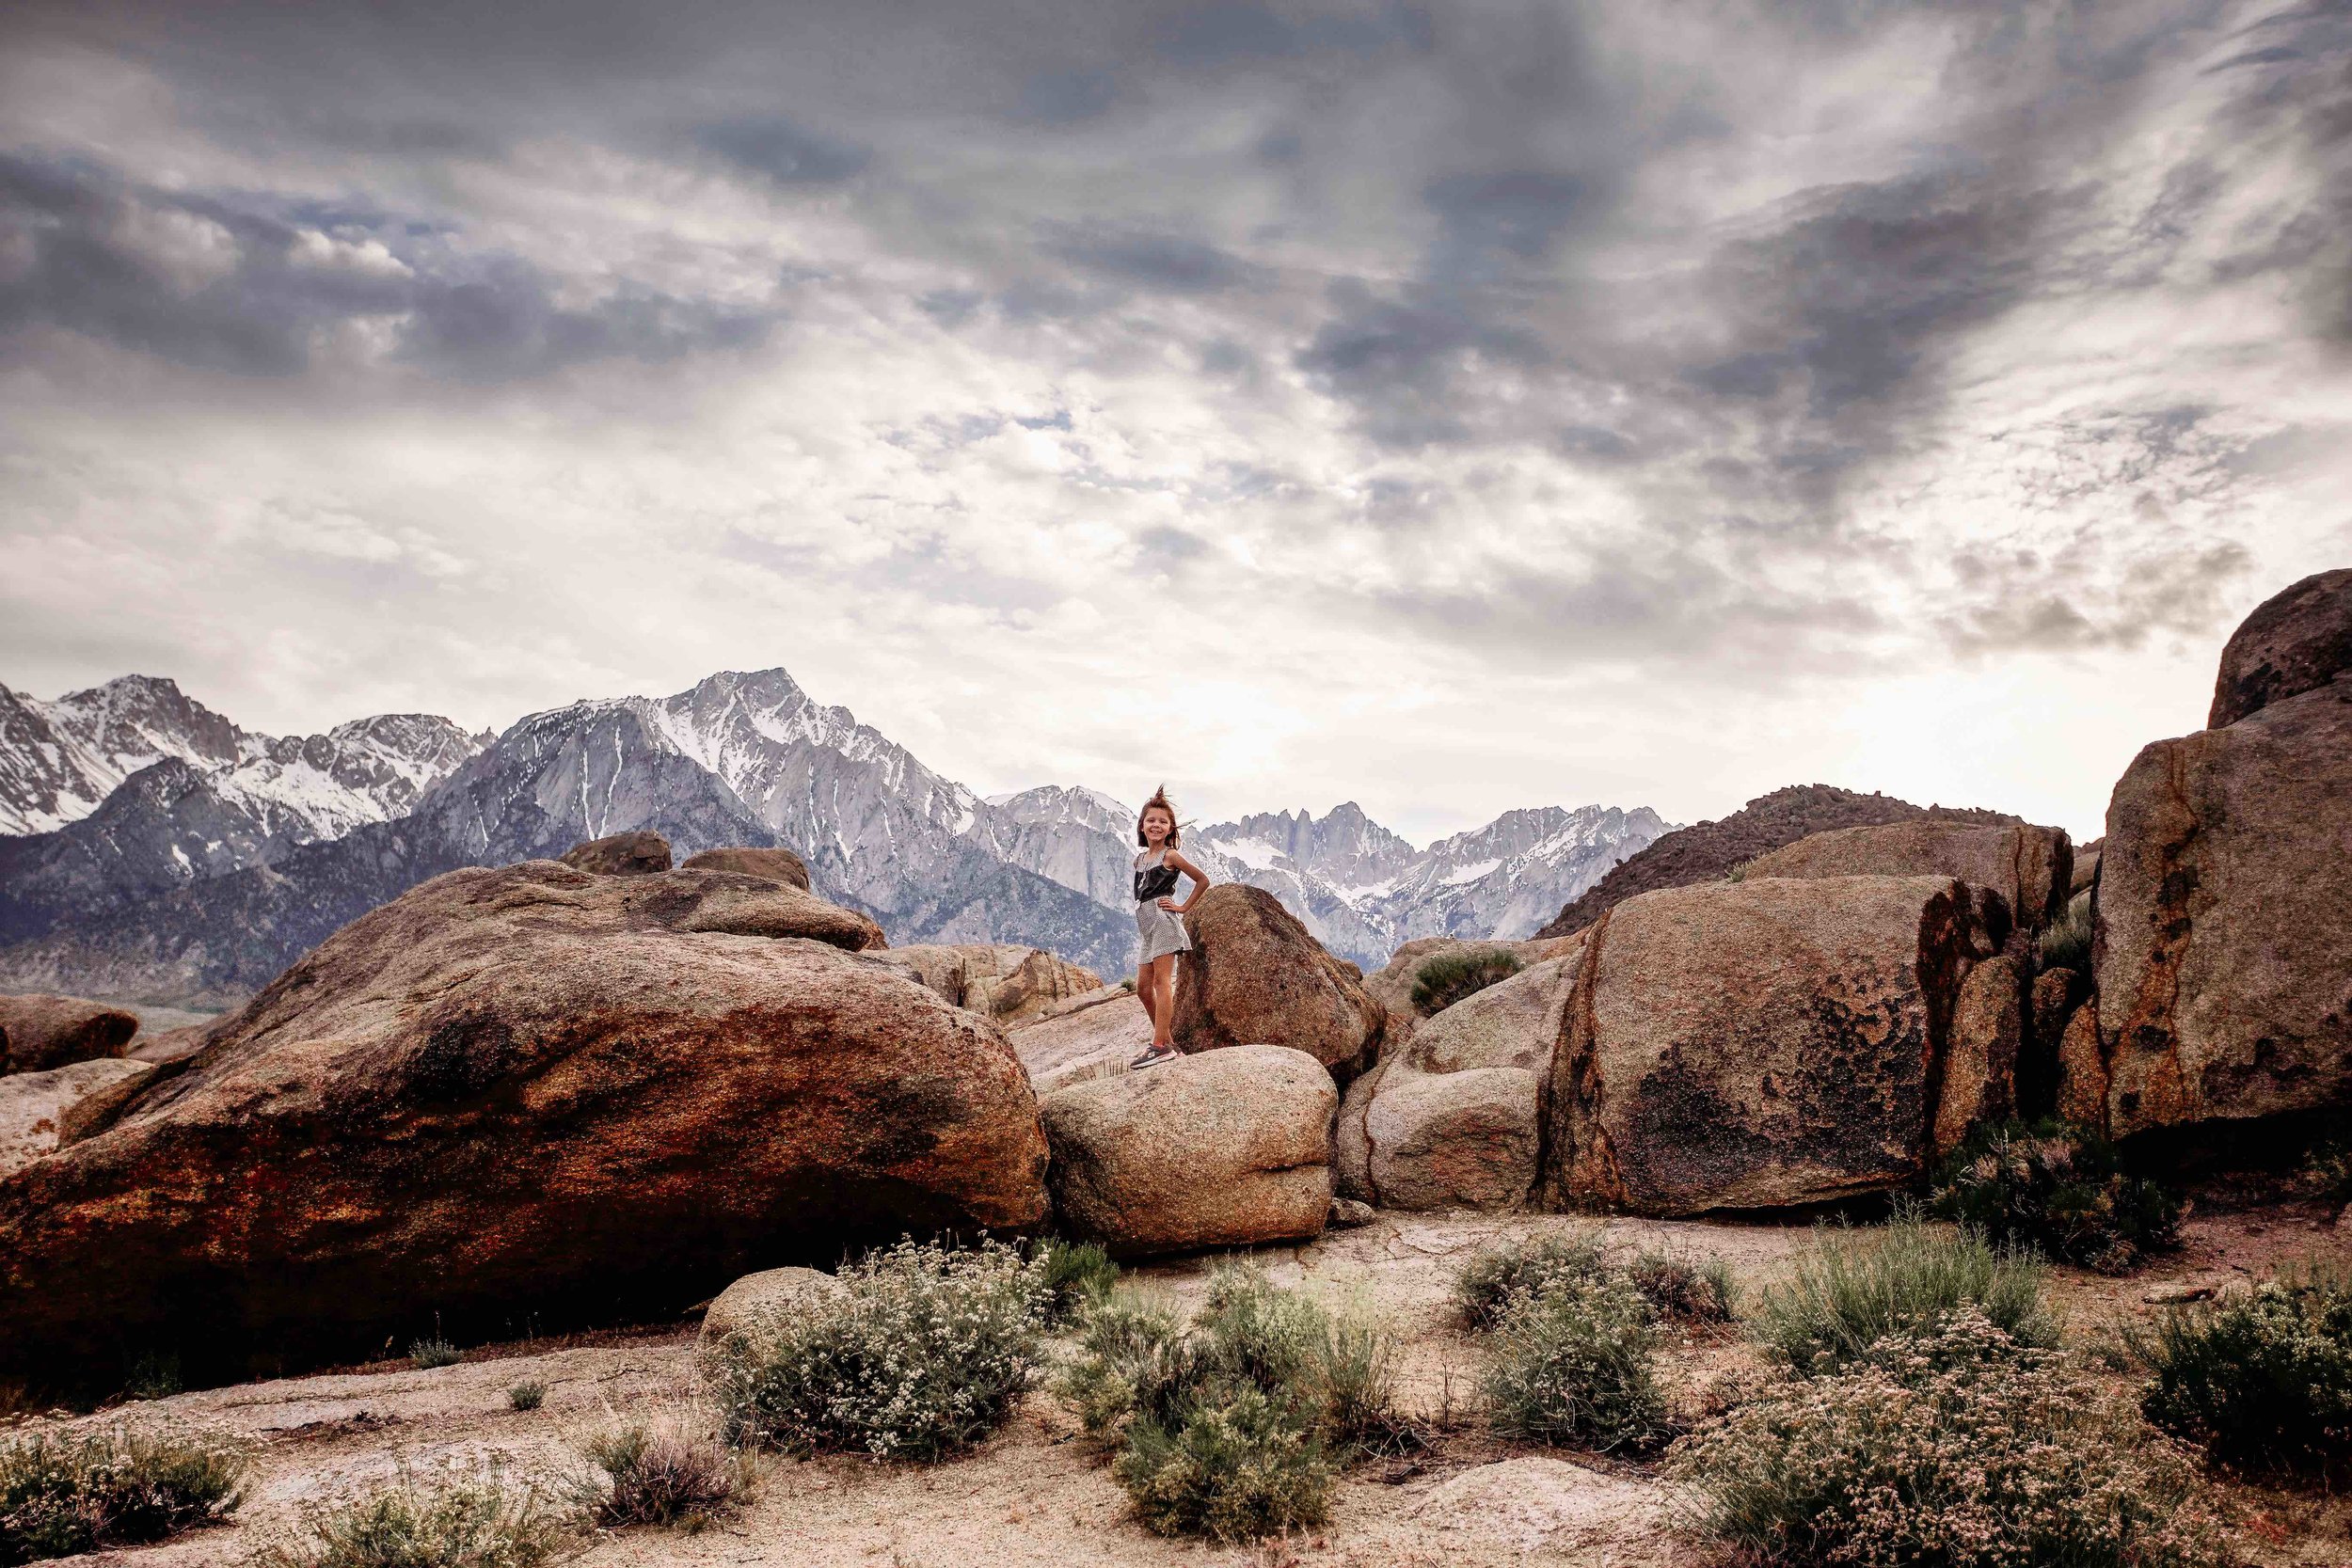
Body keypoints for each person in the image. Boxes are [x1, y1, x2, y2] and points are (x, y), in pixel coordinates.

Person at [1130, 785, 1208, 1069]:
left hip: (1163, 923)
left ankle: (1159, 1045)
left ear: (1170, 828)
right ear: (1142, 825)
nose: (1156, 825)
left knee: (1162, 983)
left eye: (1163, 822)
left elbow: (1202, 880)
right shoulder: (1139, 860)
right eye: (1151, 820)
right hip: (1147, 928)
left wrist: (1183, 907)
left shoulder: (1170, 856)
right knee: (1142, 988)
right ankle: (1168, 1042)